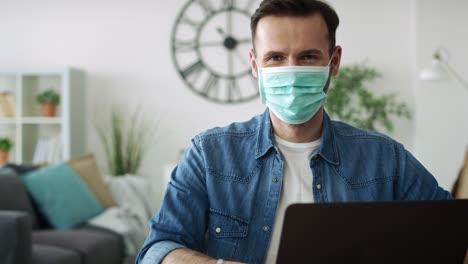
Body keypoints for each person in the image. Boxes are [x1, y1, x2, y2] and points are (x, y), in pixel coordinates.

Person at [136, 0, 452, 263]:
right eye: (275, 57)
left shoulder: (385, 158)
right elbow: (157, 250)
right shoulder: (209, 154)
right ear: (255, 65)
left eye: (308, 56)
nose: (291, 70)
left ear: (334, 61)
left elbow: (452, 231)